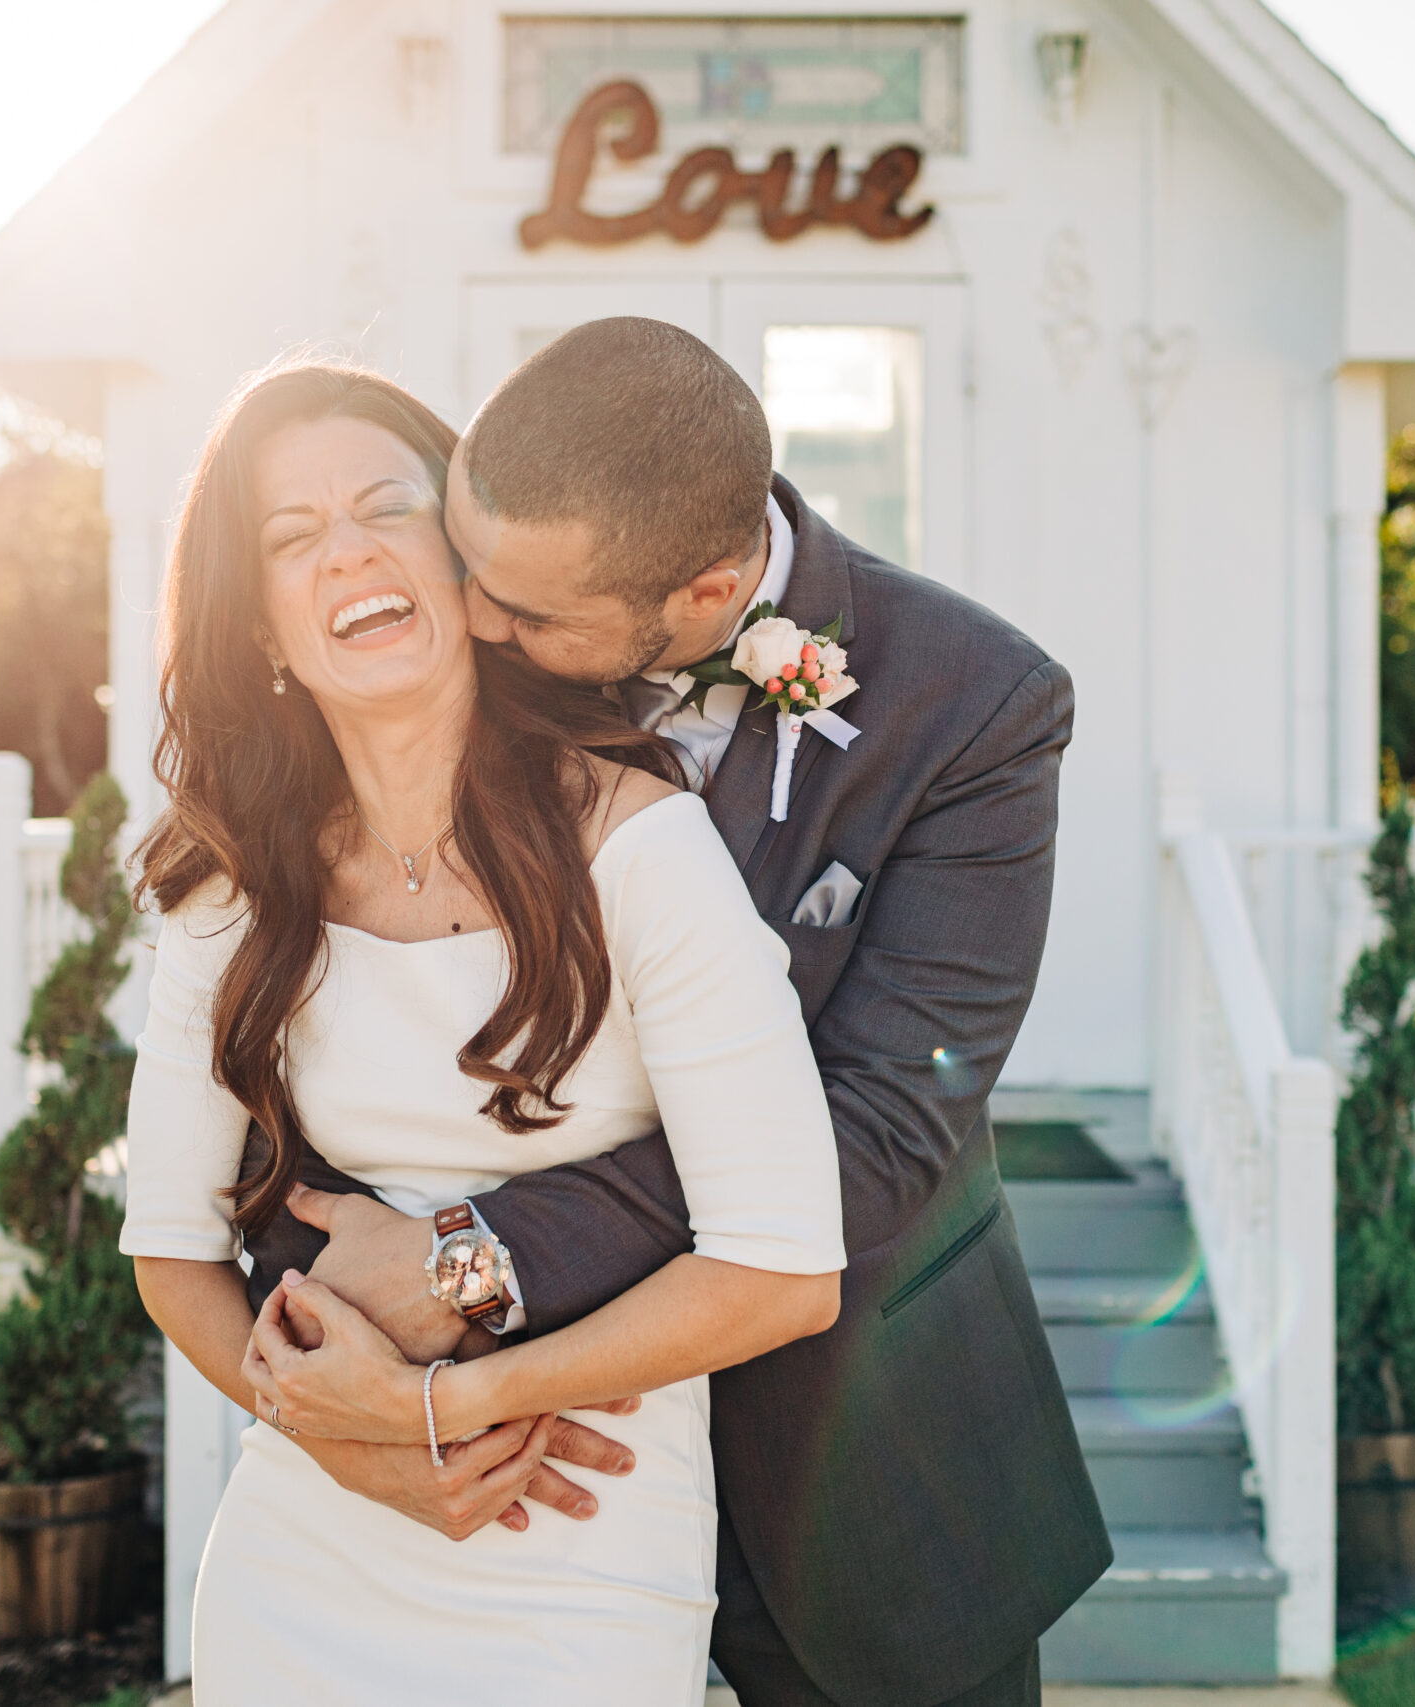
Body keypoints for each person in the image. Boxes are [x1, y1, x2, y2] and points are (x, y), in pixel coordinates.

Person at [245, 318, 1112, 1707]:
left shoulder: (977, 709)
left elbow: (880, 1134)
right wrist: (328, 1335)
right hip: (519, 1503)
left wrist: (477, 1254)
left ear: (707, 590)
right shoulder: (500, 604)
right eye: (471, 572)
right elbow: (340, 1008)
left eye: (526, 618)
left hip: (858, 1462)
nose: (475, 622)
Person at [119, 361, 848, 1707]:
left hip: (576, 1530)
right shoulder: (235, 889)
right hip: (309, 1537)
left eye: (385, 506)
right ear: (266, 627)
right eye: (290, 536)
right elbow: (172, 1254)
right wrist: (345, 1438)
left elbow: (784, 1270)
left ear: (466, 567)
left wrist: (444, 1414)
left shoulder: (642, 850)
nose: (345, 550)